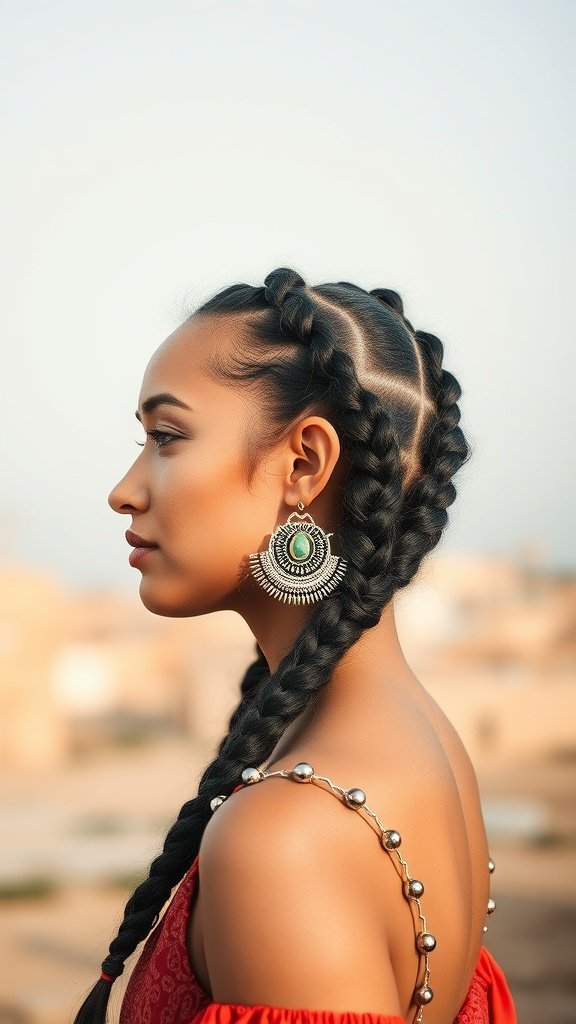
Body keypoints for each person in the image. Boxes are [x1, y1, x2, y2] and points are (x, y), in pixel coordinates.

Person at [73, 268, 518, 1024]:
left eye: (166, 437)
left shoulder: (283, 841)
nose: (125, 488)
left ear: (305, 466)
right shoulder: (426, 742)